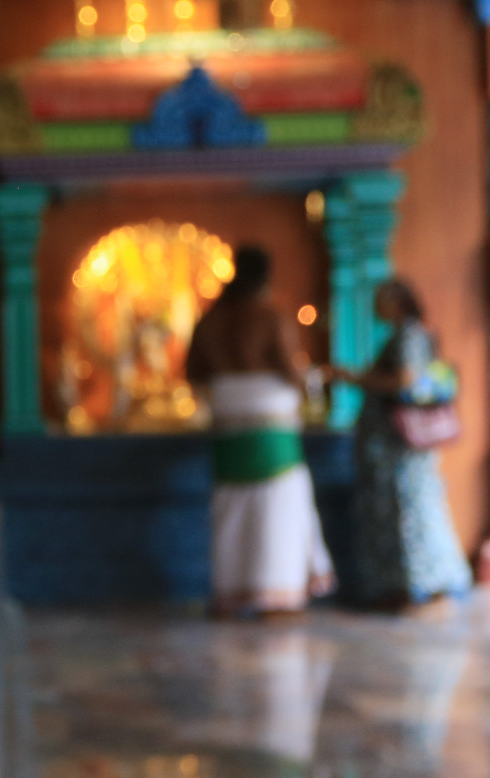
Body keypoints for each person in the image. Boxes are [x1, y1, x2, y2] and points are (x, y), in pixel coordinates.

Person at [185, 244, 333, 617]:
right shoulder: (272, 316)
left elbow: (192, 373)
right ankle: (277, 598)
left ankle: (231, 594)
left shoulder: (210, 319)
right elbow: (289, 369)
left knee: (231, 509)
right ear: (267, 275)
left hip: (226, 429)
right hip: (272, 431)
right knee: (277, 507)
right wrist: (314, 379)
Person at [329, 277, 473, 608]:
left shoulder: (409, 334)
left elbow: (406, 380)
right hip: (401, 446)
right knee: (410, 511)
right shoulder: (412, 333)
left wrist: (354, 377)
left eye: (381, 299)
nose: (376, 306)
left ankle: (415, 586)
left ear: (397, 301)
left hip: (398, 446)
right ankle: (409, 586)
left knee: (405, 514)